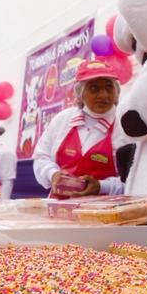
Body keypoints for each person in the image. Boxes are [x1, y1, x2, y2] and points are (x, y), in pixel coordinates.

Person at [33, 59, 124, 198]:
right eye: (94, 88)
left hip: (103, 213)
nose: (103, 95)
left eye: (108, 87)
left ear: (116, 91)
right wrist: (53, 174)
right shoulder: (63, 119)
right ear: (80, 92)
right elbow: (41, 157)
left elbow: (133, 178)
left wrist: (101, 186)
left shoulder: (124, 126)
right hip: (59, 208)